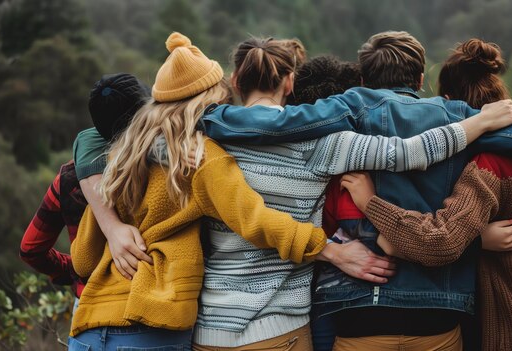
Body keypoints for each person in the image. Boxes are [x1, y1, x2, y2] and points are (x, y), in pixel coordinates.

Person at [197, 31, 512, 350]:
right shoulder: (459, 116)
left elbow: (277, 125)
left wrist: (213, 117)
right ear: (422, 77)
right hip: (438, 309)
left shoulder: (348, 109)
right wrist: (484, 119)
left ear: (361, 80)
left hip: (360, 307)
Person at [67, 32, 329, 351]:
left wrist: (113, 230)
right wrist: (326, 247)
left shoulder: (121, 158)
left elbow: (82, 260)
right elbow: (255, 221)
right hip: (151, 326)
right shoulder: (200, 157)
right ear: (211, 97)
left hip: (89, 329)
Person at [340, 38, 512, 350]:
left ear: (449, 104)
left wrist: (370, 203)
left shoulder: (488, 167)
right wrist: (480, 241)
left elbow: (439, 242)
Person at [20, 73, 149, 299]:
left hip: (90, 305)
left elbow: (31, 249)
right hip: (149, 297)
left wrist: (74, 271)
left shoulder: (68, 178)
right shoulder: (164, 168)